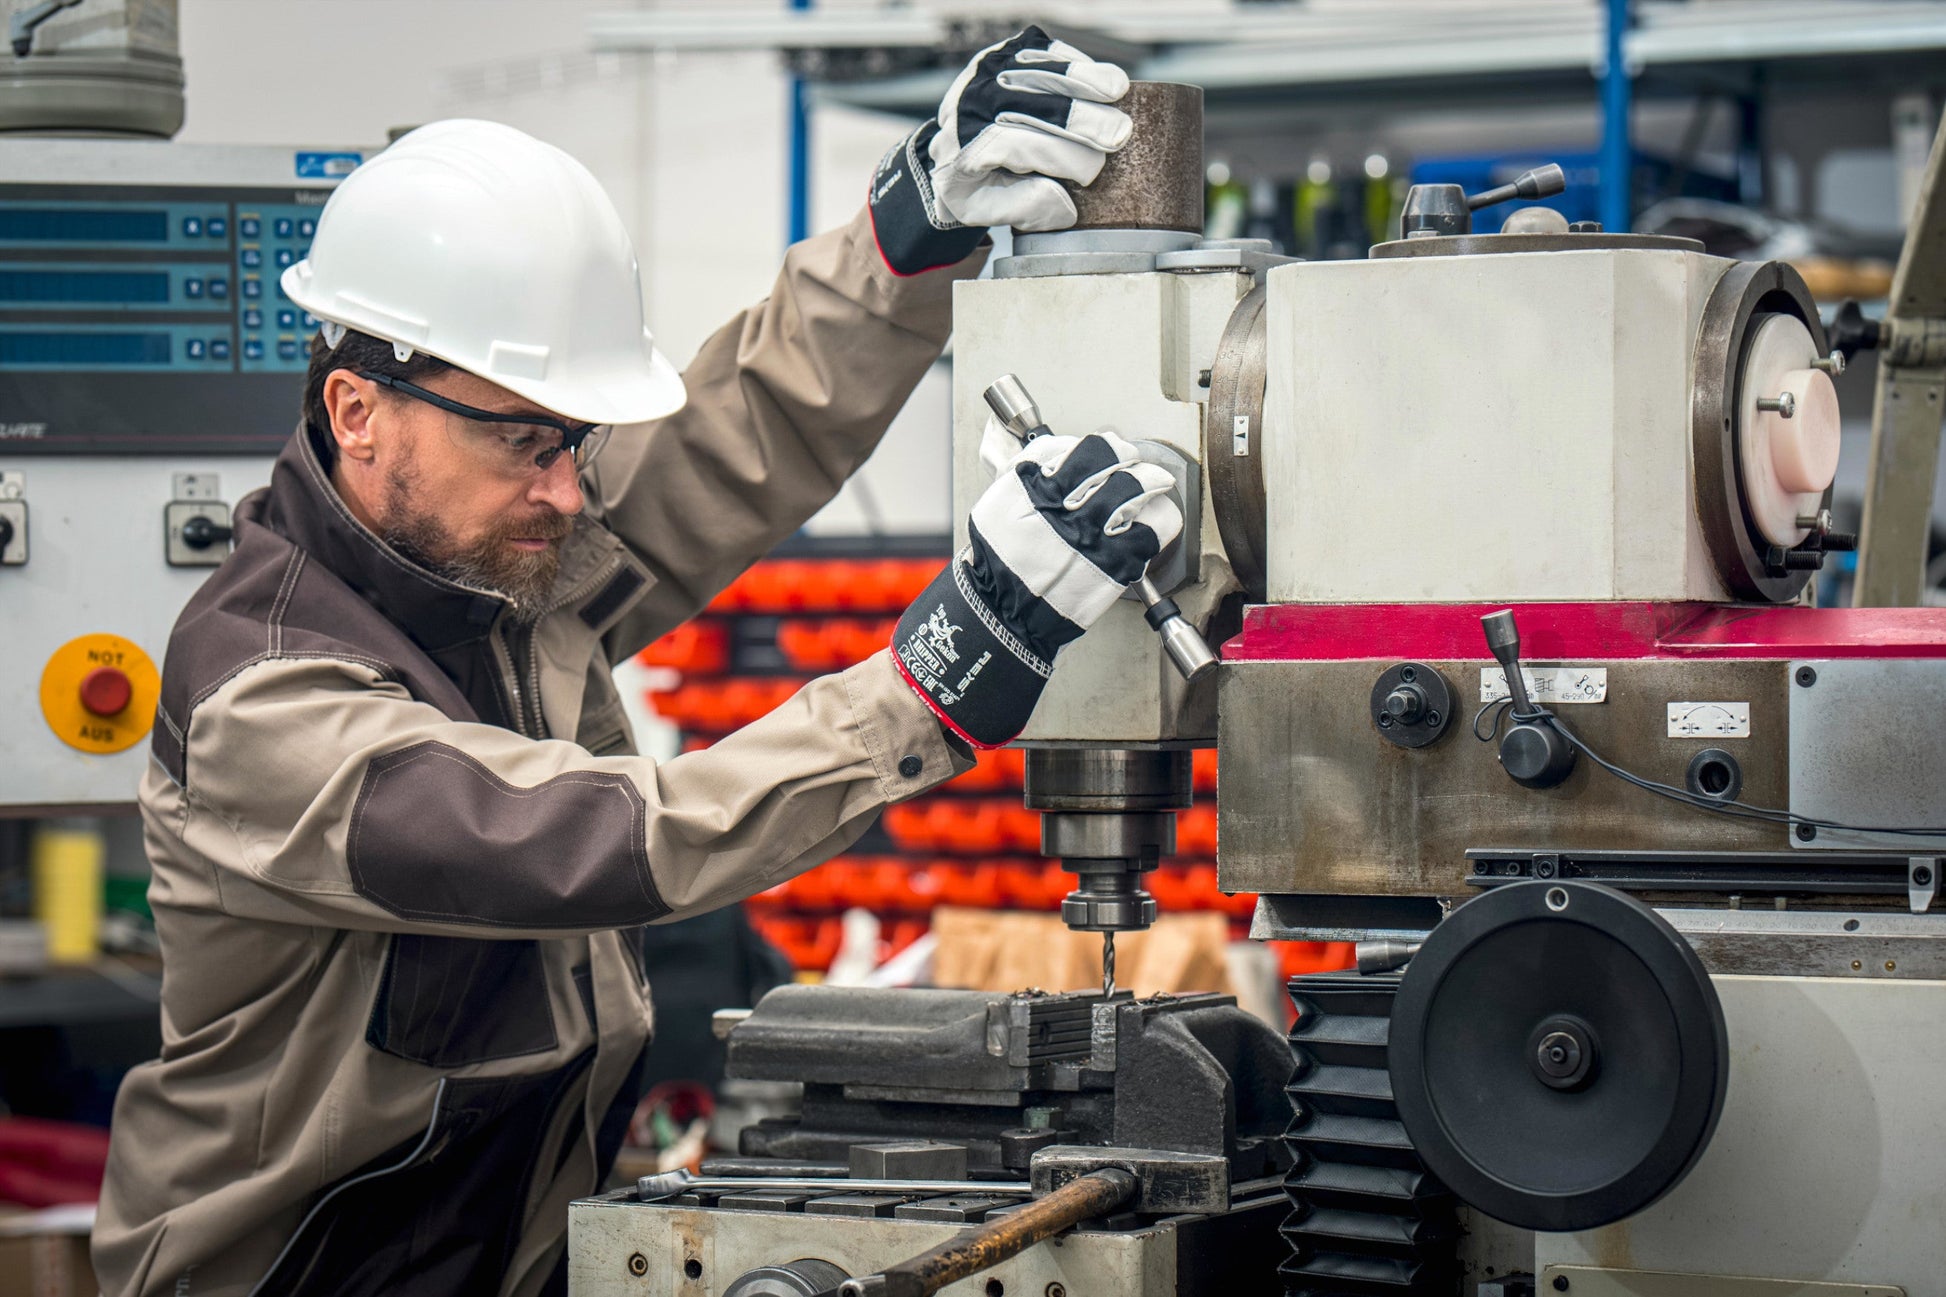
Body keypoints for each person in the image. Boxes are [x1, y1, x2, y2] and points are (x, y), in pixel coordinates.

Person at [92, 26, 1181, 1297]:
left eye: (575, 438)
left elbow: (739, 428)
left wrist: (910, 231)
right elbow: (590, 841)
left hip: (512, 1250)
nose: (566, 488)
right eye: (525, 442)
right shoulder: (265, 694)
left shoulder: (490, 562)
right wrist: (947, 666)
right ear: (356, 412)